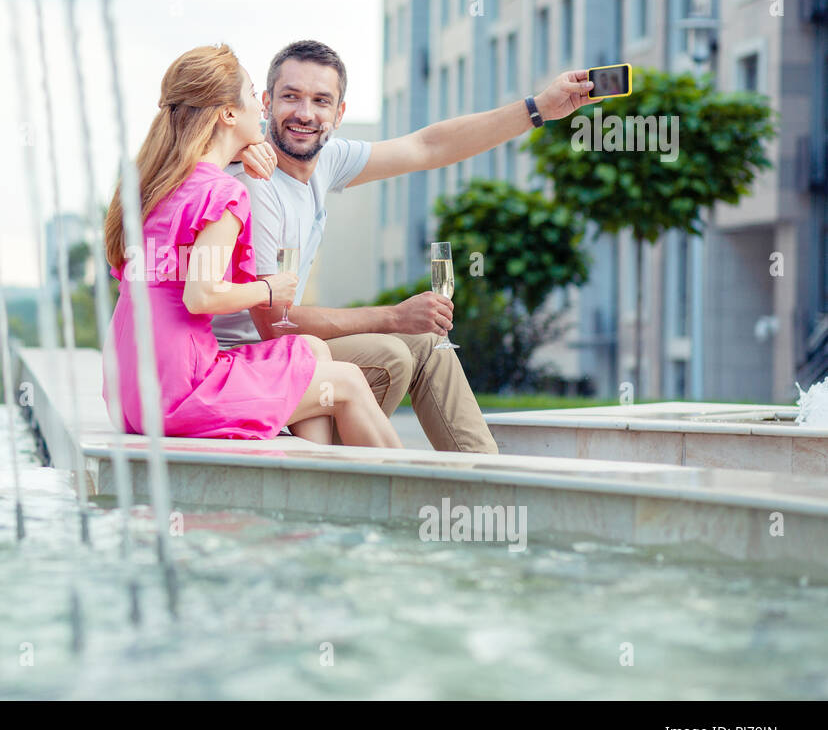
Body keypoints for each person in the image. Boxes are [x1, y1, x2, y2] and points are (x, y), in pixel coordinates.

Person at [213, 39, 599, 451]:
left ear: (339, 113)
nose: (305, 114)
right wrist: (394, 317)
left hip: (286, 351)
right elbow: (275, 324)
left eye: (321, 101)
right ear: (268, 102)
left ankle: (484, 480)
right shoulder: (257, 183)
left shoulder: (324, 161)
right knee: (391, 354)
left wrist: (538, 108)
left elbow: (428, 146)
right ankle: (343, 480)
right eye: (291, 97)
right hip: (245, 363)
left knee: (429, 344)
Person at [102, 44, 401, 448]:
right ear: (227, 114)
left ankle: (311, 471)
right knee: (346, 380)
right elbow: (202, 295)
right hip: (180, 392)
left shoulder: (159, 184)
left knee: (309, 349)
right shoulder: (222, 193)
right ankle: (414, 501)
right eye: (249, 97)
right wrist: (270, 289)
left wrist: (241, 148)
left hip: (131, 391)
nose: (260, 110)